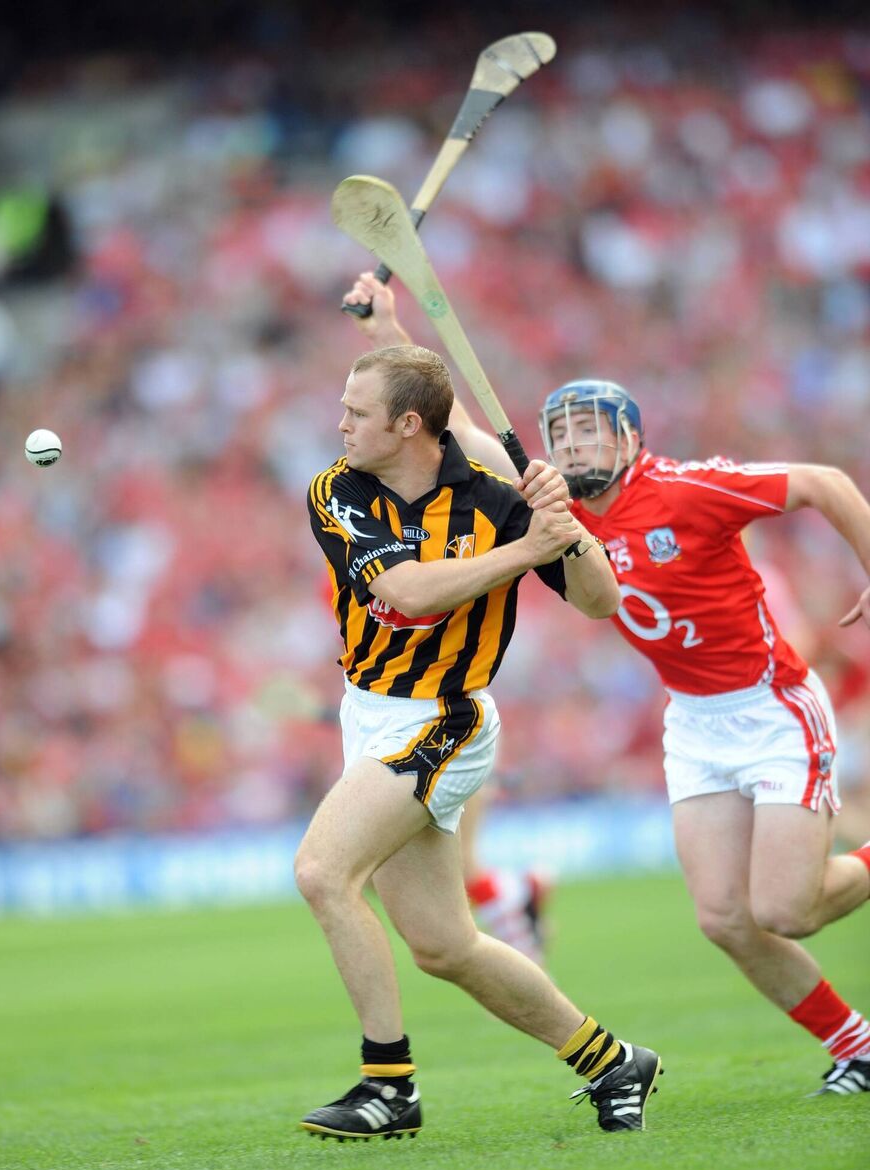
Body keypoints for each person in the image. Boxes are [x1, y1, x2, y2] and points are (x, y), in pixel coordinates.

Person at [356, 274, 870, 1098]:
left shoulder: (689, 488)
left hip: (772, 707)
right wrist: (386, 326)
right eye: (563, 434)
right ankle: (859, 1046)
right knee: (724, 920)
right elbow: (456, 427)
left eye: (593, 433)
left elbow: (826, 484)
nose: (575, 447)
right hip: (695, 724)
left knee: (786, 910)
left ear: (631, 439)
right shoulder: (559, 509)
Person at [297, 338, 662, 1140]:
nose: (341, 424)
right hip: (370, 712)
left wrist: (568, 531)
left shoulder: (501, 499)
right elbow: (406, 593)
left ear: (409, 424)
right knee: (444, 945)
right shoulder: (338, 488)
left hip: (446, 717)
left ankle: (387, 1086)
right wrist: (528, 546)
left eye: (357, 414)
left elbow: (602, 603)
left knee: (323, 873)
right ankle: (613, 1062)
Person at [341, 273, 554, 966]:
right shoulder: (365, 513)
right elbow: (436, 415)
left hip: (451, 708)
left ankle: (516, 902)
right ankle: (518, 908)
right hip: (398, 707)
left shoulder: (499, 485)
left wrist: (547, 540)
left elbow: (444, 422)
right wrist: (385, 334)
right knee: (435, 927)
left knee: (335, 873)